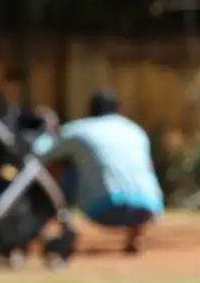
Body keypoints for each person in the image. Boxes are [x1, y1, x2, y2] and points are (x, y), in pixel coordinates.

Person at [31, 90, 164, 254]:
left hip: (102, 207)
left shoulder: (78, 129)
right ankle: (135, 235)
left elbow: (39, 152)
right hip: (148, 207)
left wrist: (48, 129)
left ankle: (59, 228)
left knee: (58, 166)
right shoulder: (136, 130)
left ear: (90, 110)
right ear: (119, 110)